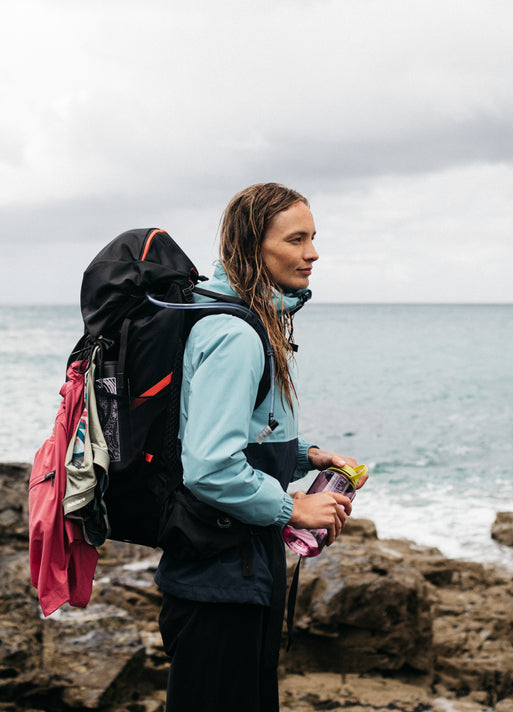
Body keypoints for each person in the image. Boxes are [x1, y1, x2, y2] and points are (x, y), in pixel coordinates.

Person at [155, 182, 367, 712]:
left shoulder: (243, 319)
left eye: (313, 238)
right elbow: (209, 465)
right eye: (297, 239)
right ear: (254, 245)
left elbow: (236, 437)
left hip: (235, 570)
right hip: (221, 581)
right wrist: (292, 505)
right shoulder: (235, 335)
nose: (313, 253)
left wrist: (306, 459)